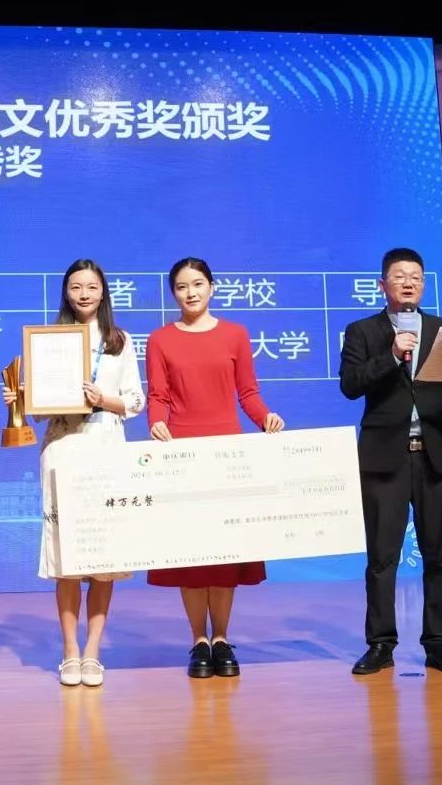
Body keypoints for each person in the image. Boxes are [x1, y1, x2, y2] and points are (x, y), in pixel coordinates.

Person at [3, 259, 145, 687]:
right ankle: (69, 652)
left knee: (103, 559)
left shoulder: (120, 341)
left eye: (92, 287)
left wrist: (103, 399)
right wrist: (20, 400)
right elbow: (39, 412)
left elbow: (135, 401)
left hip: (105, 449)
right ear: (66, 293)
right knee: (66, 558)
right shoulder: (50, 342)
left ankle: (93, 652)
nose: (84, 294)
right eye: (76, 287)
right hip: (62, 451)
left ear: (104, 292)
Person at [339, 247, 442, 676]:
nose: (408, 283)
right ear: (383, 285)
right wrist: (391, 355)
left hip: (436, 455)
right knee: (383, 557)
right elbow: (350, 385)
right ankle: (381, 644)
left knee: (440, 556)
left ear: (423, 284)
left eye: (415, 276)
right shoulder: (363, 331)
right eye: (399, 276)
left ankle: (440, 644)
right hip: (385, 458)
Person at [145, 257, 284, 678]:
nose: (190, 292)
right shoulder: (160, 339)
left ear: (212, 287)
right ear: (173, 293)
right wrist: (156, 422)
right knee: (191, 554)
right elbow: (158, 396)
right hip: (182, 454)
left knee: (225, 554)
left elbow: (248, 392)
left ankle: (221, 638)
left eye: (198, 284)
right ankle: (198, 641)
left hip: (228, 453)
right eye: (182, 286)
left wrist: (265, 418)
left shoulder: (235, 334)